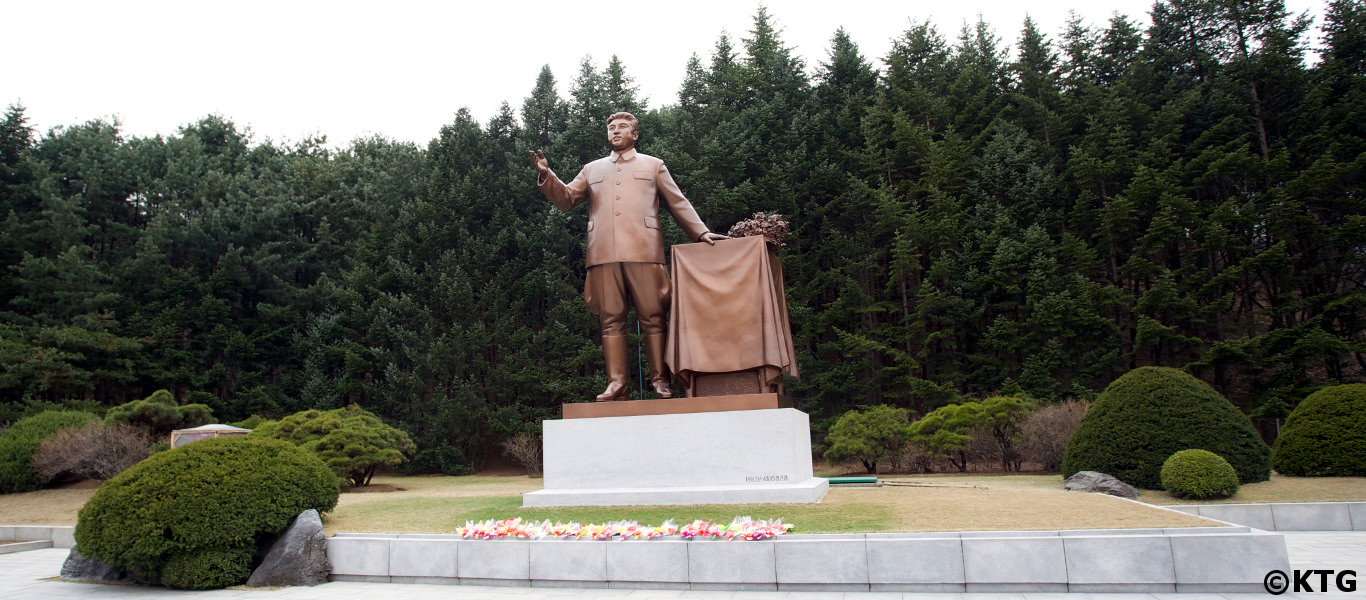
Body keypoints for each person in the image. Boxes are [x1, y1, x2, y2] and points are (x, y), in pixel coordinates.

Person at [529, 111, 727, 401]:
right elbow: (566, 199)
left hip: (644, 249)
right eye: (611, 127)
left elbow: (677, 202)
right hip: (603, 253)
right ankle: (617, 384)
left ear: (635, 134)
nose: (616, 131)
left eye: (622, 127)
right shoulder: (592, 169)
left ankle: (661, 381)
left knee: (654, 317)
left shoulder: (653, 165)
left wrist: (701, 232)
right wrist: (547, 175)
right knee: (610, 320)